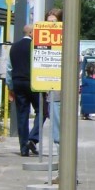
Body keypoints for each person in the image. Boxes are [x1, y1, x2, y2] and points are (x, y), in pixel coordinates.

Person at [29, 8, 63, 147]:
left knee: (60, 124)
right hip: (50, 89)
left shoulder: (67, 39)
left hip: (62, 89)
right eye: (48, 22)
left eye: (54, 22)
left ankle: (61, 149)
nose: (51, 26)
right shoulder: (41, 40)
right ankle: (59, 148)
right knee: (55, 123)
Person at [8, 24, 39, 156]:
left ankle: (23, 148)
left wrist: (10, 87)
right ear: (31, 33)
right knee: (42, 111)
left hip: (17, 83)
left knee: (22, 114)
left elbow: (9, 68)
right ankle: (33, 138)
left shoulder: (14, 47)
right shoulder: (34, 46)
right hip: (32, 83)